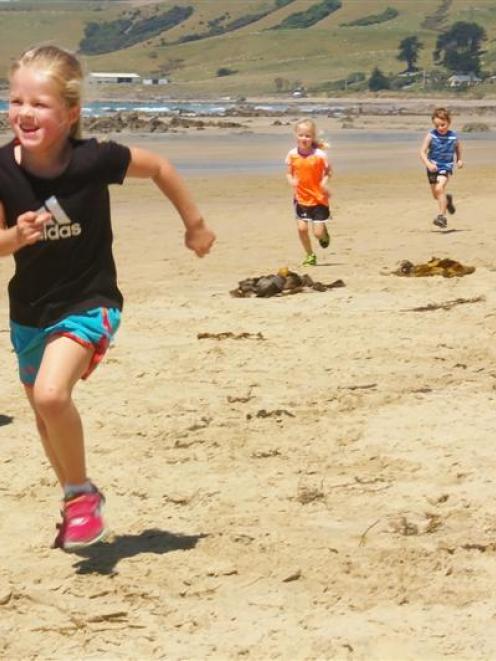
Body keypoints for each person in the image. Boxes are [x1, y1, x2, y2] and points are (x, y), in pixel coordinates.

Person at [0, 45, 215, 552]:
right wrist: (16, 237)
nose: (24, 113)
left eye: (40, 104)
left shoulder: (94, 159)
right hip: (30, 310)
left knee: (54, 396)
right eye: (16, 101)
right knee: (43, 414)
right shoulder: (1, 169)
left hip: (90, 301)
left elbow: (159, 166)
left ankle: (80, 498)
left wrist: (195, 224)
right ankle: (76, 496)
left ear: (71, 112)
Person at [285, 118, 332, 266]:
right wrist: (291, 181)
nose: (304, 138)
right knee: (302, 228)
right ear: (296, 135)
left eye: (308, 136)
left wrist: (324, 183)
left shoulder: (320, 155)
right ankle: (310, 255)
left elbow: (329, 172)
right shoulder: (292, 154)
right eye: (301, 135)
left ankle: (324, 234)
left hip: (318, 199)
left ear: (312, 138)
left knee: (317, 233)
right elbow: (288, 172)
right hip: (301, 198)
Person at [420, 107, 463, 229]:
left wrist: (459, 160)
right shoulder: (431, 135)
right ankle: (447, 201)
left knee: (439, 188)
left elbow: (458, 148)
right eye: (437, 125)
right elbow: (422, 152)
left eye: (443, 125)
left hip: (446, 167)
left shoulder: (453, 136)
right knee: (436, 195)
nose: (440, 128)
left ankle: (441, 217)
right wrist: (428, 164)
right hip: (432, 167)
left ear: (449, 122)